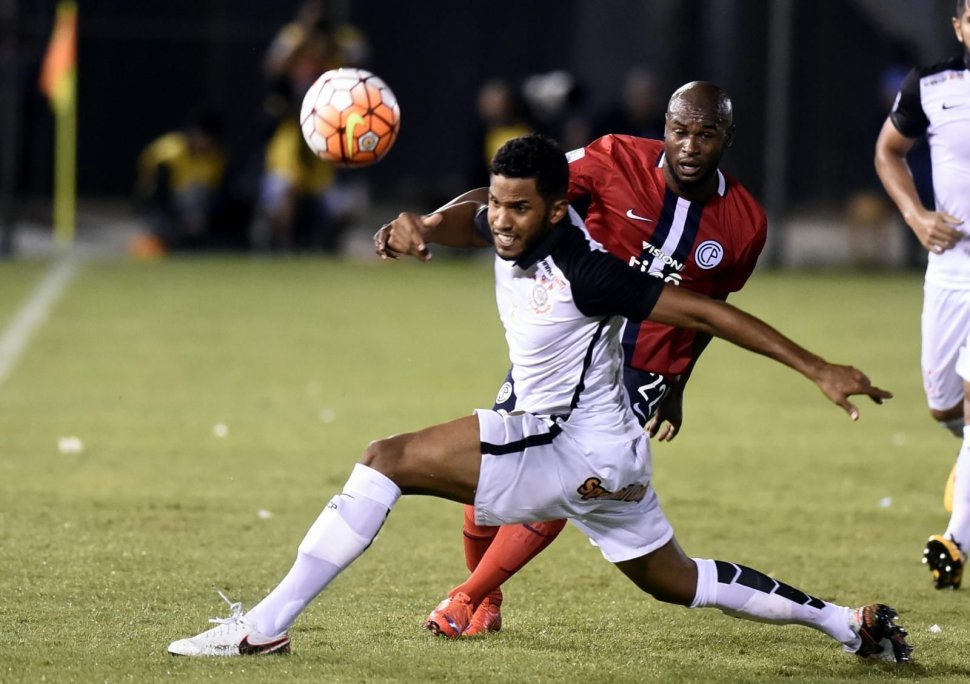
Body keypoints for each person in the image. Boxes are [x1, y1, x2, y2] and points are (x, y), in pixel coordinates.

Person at [168, 134, 911, 664]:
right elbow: (470, 215)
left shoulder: (588, 273)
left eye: (518, 208)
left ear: (556, 212)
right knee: (676, 581)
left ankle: (263, 628)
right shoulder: (506, 225)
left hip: (565, 444)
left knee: (384, 460)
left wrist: (817, 367)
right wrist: (425, 225)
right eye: (496, 203)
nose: (500, 219)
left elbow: (708, 312)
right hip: (610, 457)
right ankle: (846, 624)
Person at [409, 81, 767, 637]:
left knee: (566, 482)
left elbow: (711, 310)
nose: (691, 146)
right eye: (680, 132)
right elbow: (514, 198)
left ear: (727, 138)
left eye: (706, 134)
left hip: (641, 368)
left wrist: (678, 382)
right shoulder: (612, 157)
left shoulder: (745, 223)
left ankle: (465, 597)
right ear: (664, 130)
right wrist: (432, 224)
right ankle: (487, 597)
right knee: (488, 488)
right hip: (564, 342)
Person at [874, 0, 970, 590]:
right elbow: (888, 152)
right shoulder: (931, 85)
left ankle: (955, 540)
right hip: (949, 275)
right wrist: (915, 215)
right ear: (960, 25)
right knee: (943, 405)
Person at [131, 111, 227, 256]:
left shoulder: (214, 157)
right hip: (161, 209)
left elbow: (214, 194)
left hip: (192, 214)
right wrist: (183, 218)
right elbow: (155, 193)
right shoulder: (168, 152)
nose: (206, 143)